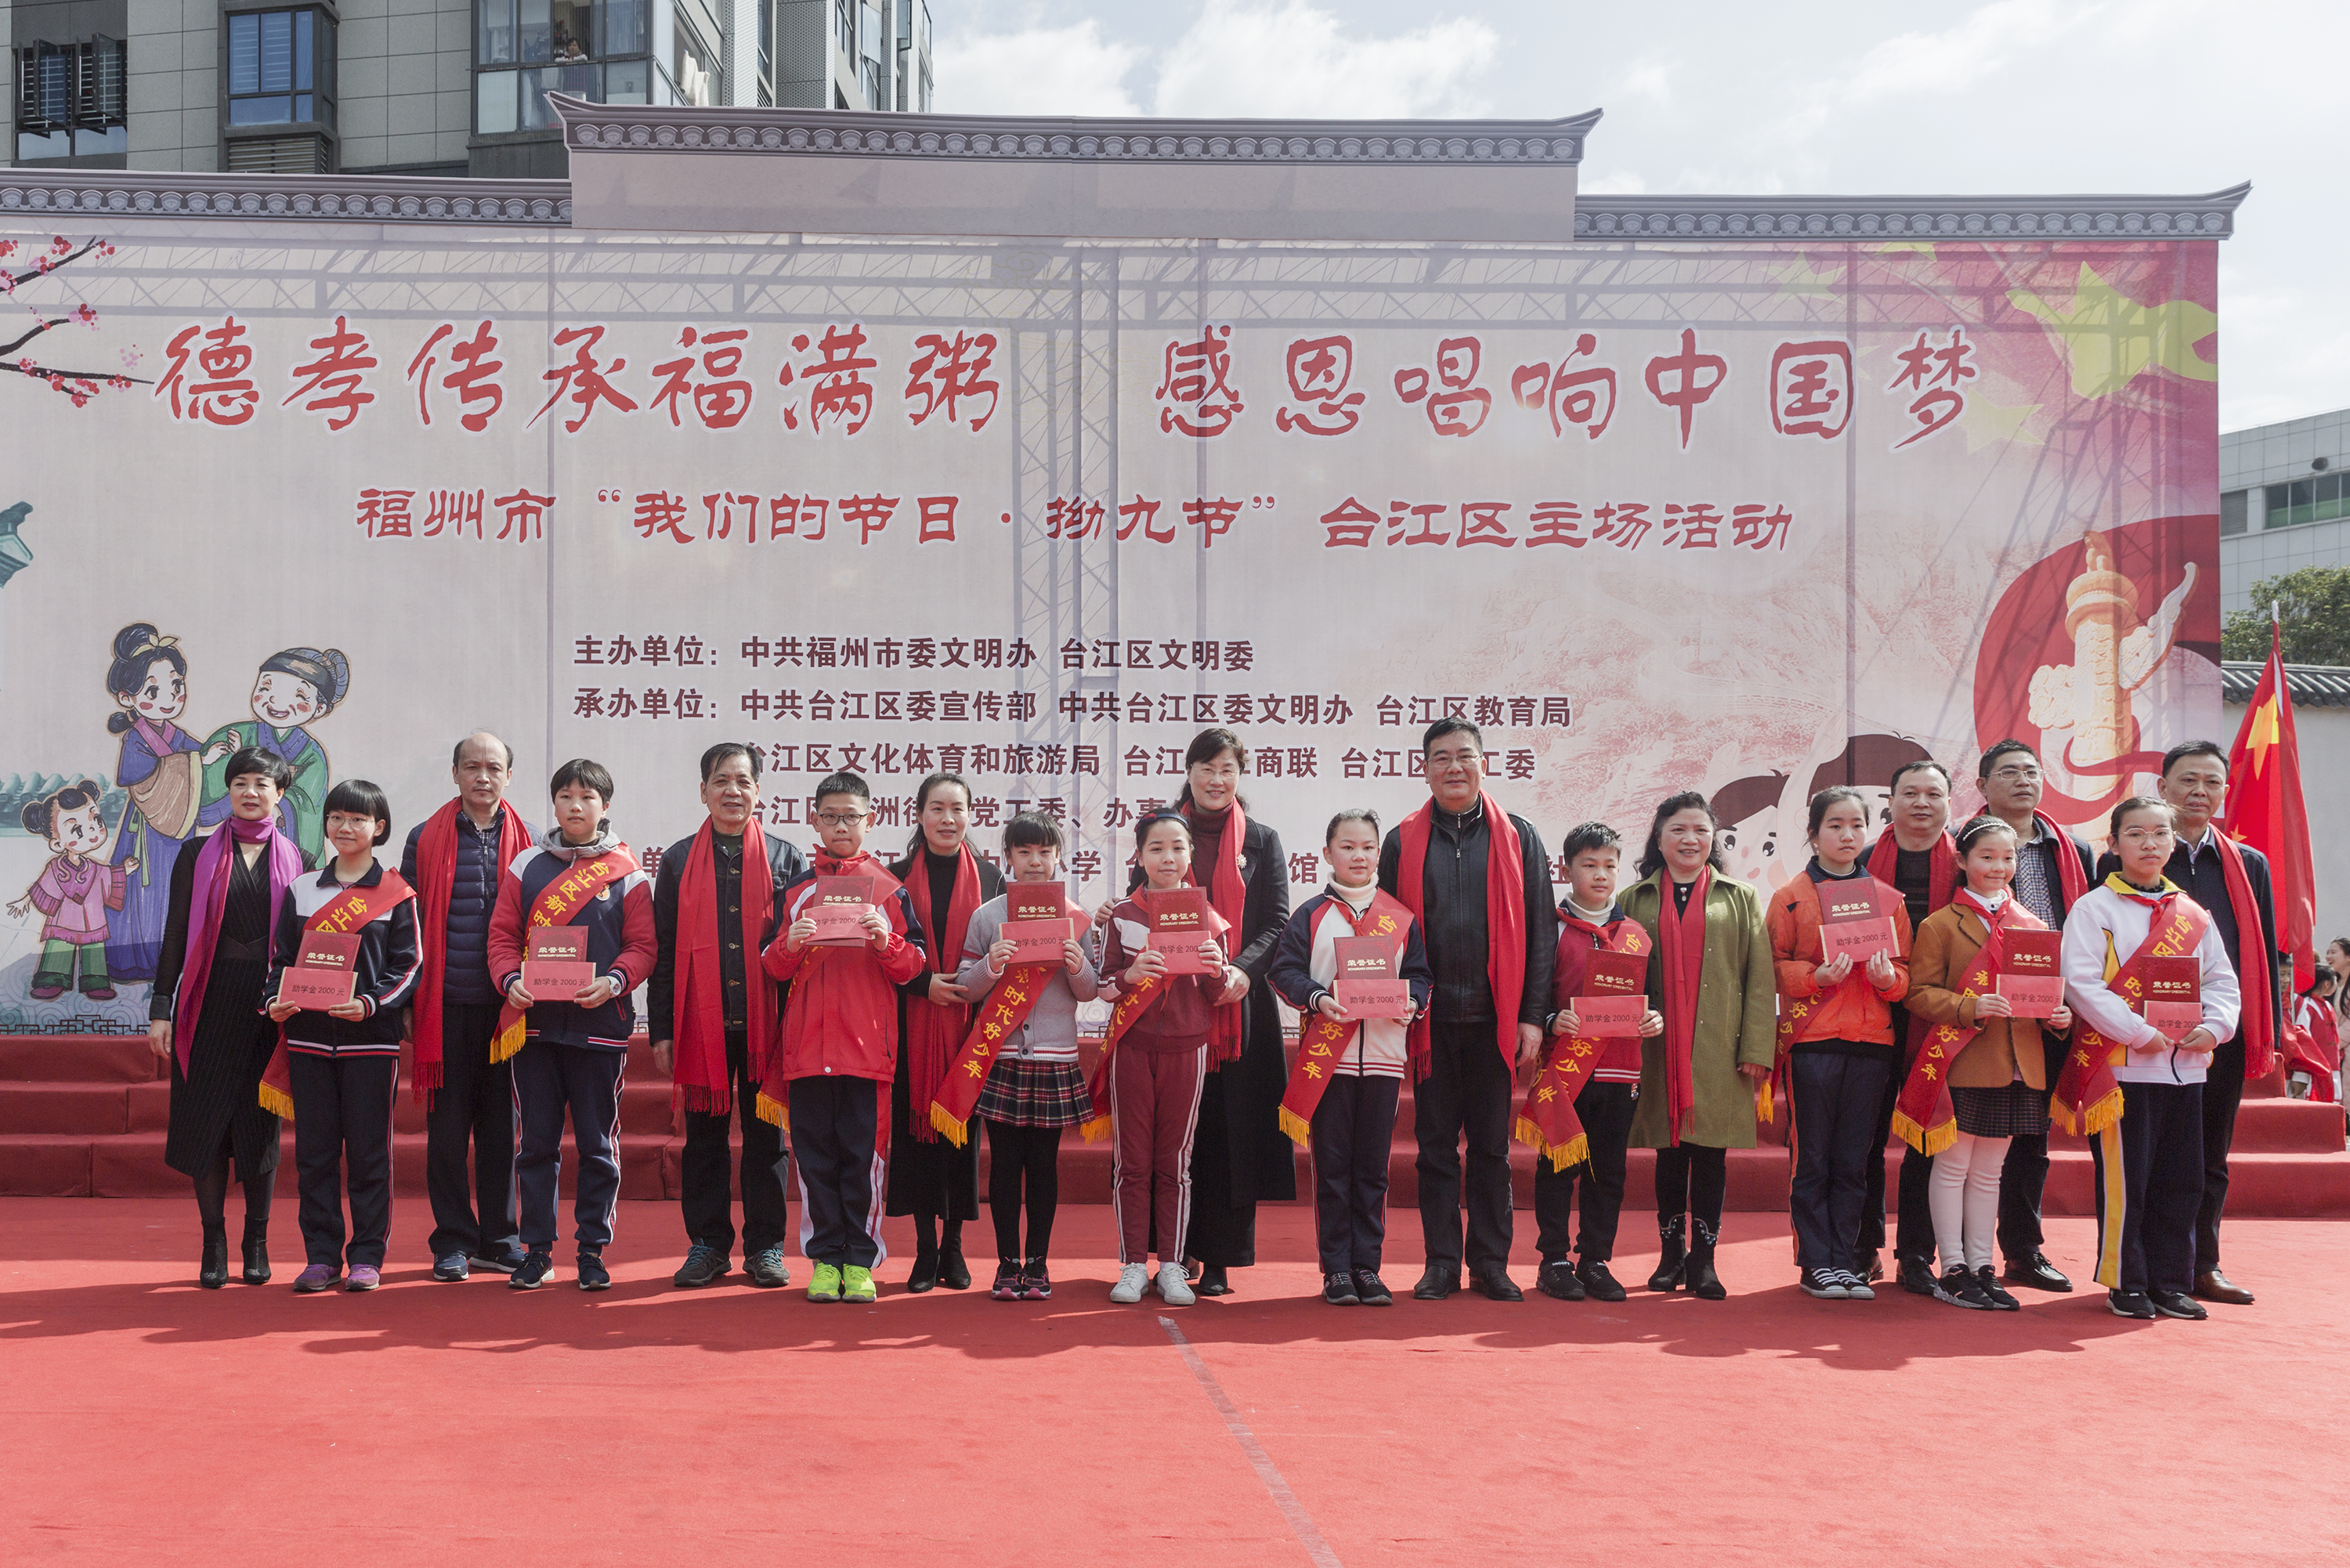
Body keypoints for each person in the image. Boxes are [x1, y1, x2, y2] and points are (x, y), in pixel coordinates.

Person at [2092, 741, 2283, 1308]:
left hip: (2214, 1033)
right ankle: (2137, 1271)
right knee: (2142, 1161)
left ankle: (2201, 1265)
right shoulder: (2137, 858)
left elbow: (2260, 950)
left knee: (2206, 1156)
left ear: (2224, 791)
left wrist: (2245, 1024)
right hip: (2142, 1039)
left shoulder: (2248, 865)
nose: (2201, 791)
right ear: (2165, 787)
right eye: (2188, 780)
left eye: (2213, 782)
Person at [1377, 717, 1556, 1302]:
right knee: (1433, 1148)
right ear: (1424, 768)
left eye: (1464, 756)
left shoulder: (1519, 836)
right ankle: (1440, 1263)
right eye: (1441, 758)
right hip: (1429, 1020)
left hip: (1494, 1021)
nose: (1454, 767)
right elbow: (1382, 930)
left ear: (1484, 763)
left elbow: (1540, 933)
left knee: (1491, 1149)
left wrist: (1533, 1014)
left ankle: (1490, 1261)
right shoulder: (1402, 841)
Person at [2066, 795, 2241, 1321]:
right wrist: (2138, 1032)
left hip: (2185, 1070)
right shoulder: (2094, 907)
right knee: (2128, 1181)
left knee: (2181, 1180)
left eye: (2160, 834)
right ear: (2114, 843)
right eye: (2136, 834)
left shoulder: (2191, 913)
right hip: (2124, 1067)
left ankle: (2171, 1279)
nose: (2149, 844)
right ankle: (2126, 1280)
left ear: (2171, 842)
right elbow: (2081, 984)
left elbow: (2221, 981)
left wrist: (2214, 1028)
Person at [487, 758, 656, 1292]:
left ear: (605, 806)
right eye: (566, 796)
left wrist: (614, 981)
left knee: (596, 1145)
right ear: (554, 803)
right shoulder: (527, 866)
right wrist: (508, 979)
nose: (575, 806)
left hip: (600, 1028)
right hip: (533, 1030)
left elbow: (644, 946)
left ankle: (591, 1250)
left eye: (587, 797)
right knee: (534, 1143)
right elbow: (501, 937)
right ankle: (536, 1250)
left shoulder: (628, 872)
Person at [760, 771, 926, 1306]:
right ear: (814, 820)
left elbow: (915, 967)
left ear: (870, 820)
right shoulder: (796, 891)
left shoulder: (890, 890)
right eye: (830, 816)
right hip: (807, 1052)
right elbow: (771, 966)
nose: (840, 825)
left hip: (867, 1052)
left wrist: (887, 940)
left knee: (863, 1160)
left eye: (851, 816)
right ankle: (825, 1260)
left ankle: (861, 1261)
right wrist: (790, 941)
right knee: (814, 1161)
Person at [651, 742, 807, 1291]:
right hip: (701, 1025)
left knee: (769, 1143)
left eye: (743, 781)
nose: (732, 792)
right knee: (705, 1140)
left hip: (770, 1027)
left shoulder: (789, 860)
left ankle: (766, 1247)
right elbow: (665, 948)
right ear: (703, 792)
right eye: (721, 781)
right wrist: (663, 1027)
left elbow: (802, 952)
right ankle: (709, 1244)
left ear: (759, 792)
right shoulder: (675, 862)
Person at [150, 748, 307, 1288]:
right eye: (240, 782)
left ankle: (256, 1241)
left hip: (267, 1010)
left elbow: (308, 945)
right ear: (229, 790)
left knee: (260, 1128)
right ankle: (212, 1240)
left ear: (279, 793)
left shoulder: (302, 859)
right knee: (207, 1125)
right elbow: (176, 935)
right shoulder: (196, 854)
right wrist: (161, 1008)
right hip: (206, 1006)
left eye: (262, 783)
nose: (250, 792)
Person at [1903, 815, 2073, 1310]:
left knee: (1990, 1173)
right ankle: (1952, 1265)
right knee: (1953, 1166)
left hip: (2019, 1065)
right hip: (1964, 1060)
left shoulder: (2034, 926)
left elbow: (2041, 999)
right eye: (1986, 857)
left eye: (2008, 858)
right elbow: (1917, 994)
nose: (1999, 867)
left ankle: (1984, 1265)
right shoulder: (1940, 924)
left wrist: (2057, 1018)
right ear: (1961, 862)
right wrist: (1967, 1006)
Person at [263, 780, 421, 1293]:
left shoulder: (396, 893)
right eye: (336, 818)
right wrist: (275, 1000)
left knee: (371, 1154)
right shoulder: (303, 889)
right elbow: (281, 960)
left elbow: (409, 964)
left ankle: (368, 1256)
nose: (345, 828)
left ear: (379, 827)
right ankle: (322, 1256)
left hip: (370, 1042)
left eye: (358, 819)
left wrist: (371, 1003)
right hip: (309, 1041)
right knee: (315, 1154)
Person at [1269, 808, 1431, 1307]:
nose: (1357, 856)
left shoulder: (1401, 919)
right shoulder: (1311, 914)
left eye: (1366, 847)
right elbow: (1284, 972)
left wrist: (1413, 1001)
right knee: (1333, 1166)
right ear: (1326, 854)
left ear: (1378, 853)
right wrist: (1318, 998)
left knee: (1373, 1170)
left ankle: (1369, 1267)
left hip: (1382, 1059)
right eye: (1347, 847)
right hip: (1328, 1063)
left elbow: (1422, 976)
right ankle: (1337, 1269)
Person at [1152, 729, 1292, 1298]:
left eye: (1227, 769)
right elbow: (1147, 901)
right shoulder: (1167, 833)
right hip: (1176, 1001)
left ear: (1240, 775)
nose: (1216, 779)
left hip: (1239, 1006)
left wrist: (1242, 973)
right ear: (1188, 772)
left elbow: (1277, 922)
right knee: (1183, 1126)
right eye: (1206, 768)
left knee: (1233, 1129)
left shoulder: (1260, 840)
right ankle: (1176, 1249)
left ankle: (1223, 1258)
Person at [1620, 792, 1776, 1301]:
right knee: (1668, 1154)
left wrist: (1756, 1047)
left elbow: (1759, 979)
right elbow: (1618, 979)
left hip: (1718, 1047)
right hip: (1657, 1046)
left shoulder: (1740, 897)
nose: (1690, 840)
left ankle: (1704, 1262)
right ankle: (1670, 1257)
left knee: (1710, 1155)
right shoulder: (1633, 900)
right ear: (1659, 839)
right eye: (1678, 831)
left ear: (1713, 838)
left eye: (1700, 831)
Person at [939, 812, 1099, 1301]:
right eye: (1024, 852)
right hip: (1003, 1054)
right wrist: (992, 965)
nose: (1034, 862)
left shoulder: (1077, 918)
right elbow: (965, 989)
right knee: (1005, 1165)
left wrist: (1075, 964)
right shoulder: (988, 916)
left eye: (1044, 852)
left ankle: (1040, 1263)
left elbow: (1090, 990)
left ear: (1057, 858)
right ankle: (1008, 1263)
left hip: (1054, 1060)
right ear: (1007, 857)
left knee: (1044, 1167)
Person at [1766, 786, 1912, 1301]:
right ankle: (1815, 1263)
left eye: (1855, 825)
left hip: (1873, 1040)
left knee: (1854, 1159)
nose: (1846, 834)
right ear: (1813, 833)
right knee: (1814, 1158)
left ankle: (1847, 1259)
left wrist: (1886, 980)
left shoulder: (1889, 901)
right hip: (1813, 1041)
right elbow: (1772, 966)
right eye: (1834, 825)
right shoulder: (1790, 897)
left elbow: (1905, 975)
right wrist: (1816, 975)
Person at [401, 732, 535, 1282]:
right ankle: (452, 1239)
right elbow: (404, 928)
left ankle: (501, 1239)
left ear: (509, 776)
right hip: (446, 1005)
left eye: (494, 768)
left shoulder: (532, 846)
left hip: (508, 1008)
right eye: (472, 767)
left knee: (503, 1131)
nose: (483, 777)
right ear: (455, 774)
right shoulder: (424, 838)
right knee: (449, 1132)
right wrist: (408, 1000)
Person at [1096, 811, 1242, 1307]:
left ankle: (1172, 1266)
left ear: (1190, 855)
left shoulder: (1210, 919)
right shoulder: (1123, 915)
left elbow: (1222, 991)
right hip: (1132, 1050)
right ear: (1139, 857)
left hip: (1188, 1048)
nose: (1167, 857)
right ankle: (1133, 1264)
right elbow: (1103, 985)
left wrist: (1218, 970)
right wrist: (1132, 974)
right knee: (1132, 1162)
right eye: (1156, 848)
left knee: (1175, 1162)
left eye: (1177, 847)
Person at [1973, 739, 2095, 1293]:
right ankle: (1942, 1254)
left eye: (2031, 771)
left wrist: (2065, 1002)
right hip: (1979, 1013)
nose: (2023, 781)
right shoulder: (1963, 843)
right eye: (2009, 773)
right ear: (1982, 787)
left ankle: (2023, 1250)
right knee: (1961, 1138)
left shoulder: (2073, 850)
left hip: (2048, 1015)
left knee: (2030, 1138)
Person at [1528, 822, 1663, 1304]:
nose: (1601, 875)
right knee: (1558, 1164)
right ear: (1566, 869)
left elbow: (1655, 1000)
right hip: (1566, 1070)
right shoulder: (1550, 929)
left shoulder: (1636, 936)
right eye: (1589, 865)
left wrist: (1653, 1020)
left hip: (1622, 1069)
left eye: (1609, 865)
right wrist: (1550, 1018)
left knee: (1608, 1170)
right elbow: (1533, 996)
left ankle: (1596, 1258)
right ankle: (1553, 1260)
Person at [885, 772, 1002, 1292]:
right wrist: (923, 985)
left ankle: (953, 1247)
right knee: (915, 1138)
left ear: (970, 816)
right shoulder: (890, 879)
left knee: (962, 1136)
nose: (947, 819)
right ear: (919, 815)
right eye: (937, 809)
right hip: (912, 1023)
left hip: (973, 1029)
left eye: (957, 809)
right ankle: (923, 1250)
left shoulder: (995, 881)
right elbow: (883, 954)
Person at [1858, 758, 1957, 1296]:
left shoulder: (1968, 862)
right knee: (1865, 1136)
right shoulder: (1859, 863)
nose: (1922, 803)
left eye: (1933, 794)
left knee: (1927, 1133)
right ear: (1890, 803)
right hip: (1871, 1012)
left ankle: (1918, 1253)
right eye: (1910, 793)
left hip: (1940, 1017)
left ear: (1949, 802)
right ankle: (1862, 1245)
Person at [102, 622, 216, 981]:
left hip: (176, 833)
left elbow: (198, 765)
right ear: (126, 698)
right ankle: (133, 961)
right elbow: (141, 779)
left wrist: (212, 756)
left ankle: (172, 962)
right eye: (154, 689)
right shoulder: (136, 738)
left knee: (176, 891)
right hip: (146, 832)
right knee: (143, 894)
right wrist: (199, 762)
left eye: (176, 686)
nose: (169, 697)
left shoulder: (176, 734)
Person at [197, 645, 349, 862]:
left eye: (298, 695)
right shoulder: (231, 735)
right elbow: (202, 796)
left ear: (319, 708)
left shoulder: (312, 755)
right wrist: (232, 761)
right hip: (230, 849)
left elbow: (307, 808)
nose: (276, 702)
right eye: (266, 689)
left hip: (282, 851)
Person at [10, 779, 131, 1002]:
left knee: (94, 948)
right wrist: (26, 900)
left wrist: (123, 869)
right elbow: (42, 887)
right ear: (57, 844)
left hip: (93, 916)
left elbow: (108, 876)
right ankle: (51, 980)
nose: (93, 831)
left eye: (96, 820)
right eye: (78, 830)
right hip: (64, 918)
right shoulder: (55, 868)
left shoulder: (95, 867)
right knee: (59, 945)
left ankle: (96, 983)